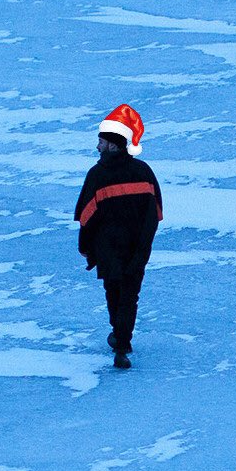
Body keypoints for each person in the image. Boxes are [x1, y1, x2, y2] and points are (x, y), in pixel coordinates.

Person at [74, 104, 163, 369]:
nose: (98, 146)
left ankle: (120, 339)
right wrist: (145, 244)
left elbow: (87, 217)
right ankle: (122, 341)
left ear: (113, 145)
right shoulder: (144, 172)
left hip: (108, 248)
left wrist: (86, 249)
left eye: (101, 141)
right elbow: (155, 213)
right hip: (138, 246)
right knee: (130, 295)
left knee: (114, 292)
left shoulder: (98, 175)